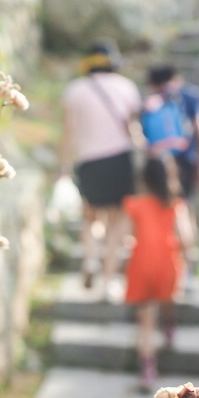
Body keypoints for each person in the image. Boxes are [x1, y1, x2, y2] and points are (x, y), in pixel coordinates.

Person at [59, 40, 142, 293]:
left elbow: (69, 134)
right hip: (119, 160)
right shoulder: (127, 88)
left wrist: (63, 167)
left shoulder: (74, 90)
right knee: (118, 222)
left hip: (88, 161)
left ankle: (91, 258)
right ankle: (108, 282)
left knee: (90, 217)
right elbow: (132, 129)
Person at [123, 157, 193, 391]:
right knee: (168, 299)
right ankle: (170, 327)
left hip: (141, 264)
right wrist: (187, 258)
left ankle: (148, 369)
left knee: (145, 321)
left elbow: (126, 236)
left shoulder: (135, 205)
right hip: (167, 264)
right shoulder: (176, 205)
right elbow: (186, 237)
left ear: (144, 178)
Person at [142, 64, 199, 242]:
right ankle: (187, 261)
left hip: (157, 163)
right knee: (184, 207)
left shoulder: (151, 101)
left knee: (162, 208)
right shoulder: (189, 96)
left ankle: (165, 255)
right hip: (185, 160)